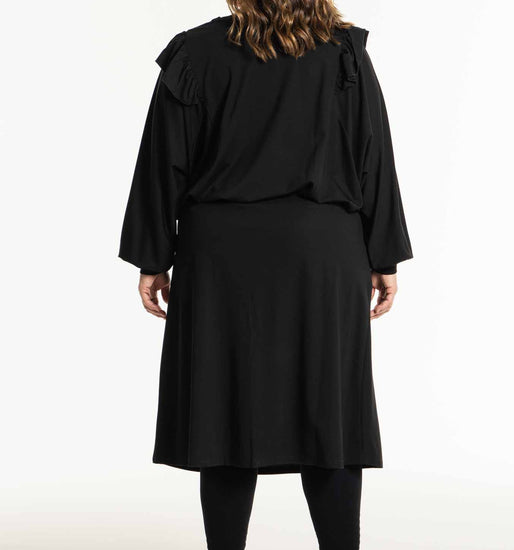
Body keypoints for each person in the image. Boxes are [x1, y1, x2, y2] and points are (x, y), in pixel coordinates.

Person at [118, 2, 413, 548]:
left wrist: (152, 257)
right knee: (330, 417)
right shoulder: (343, 53)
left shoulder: (195, 52)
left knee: (225, 413)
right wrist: (384, 255)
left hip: (222, 260)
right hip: (323, 257)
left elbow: (164, 159)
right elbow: (372, 152)